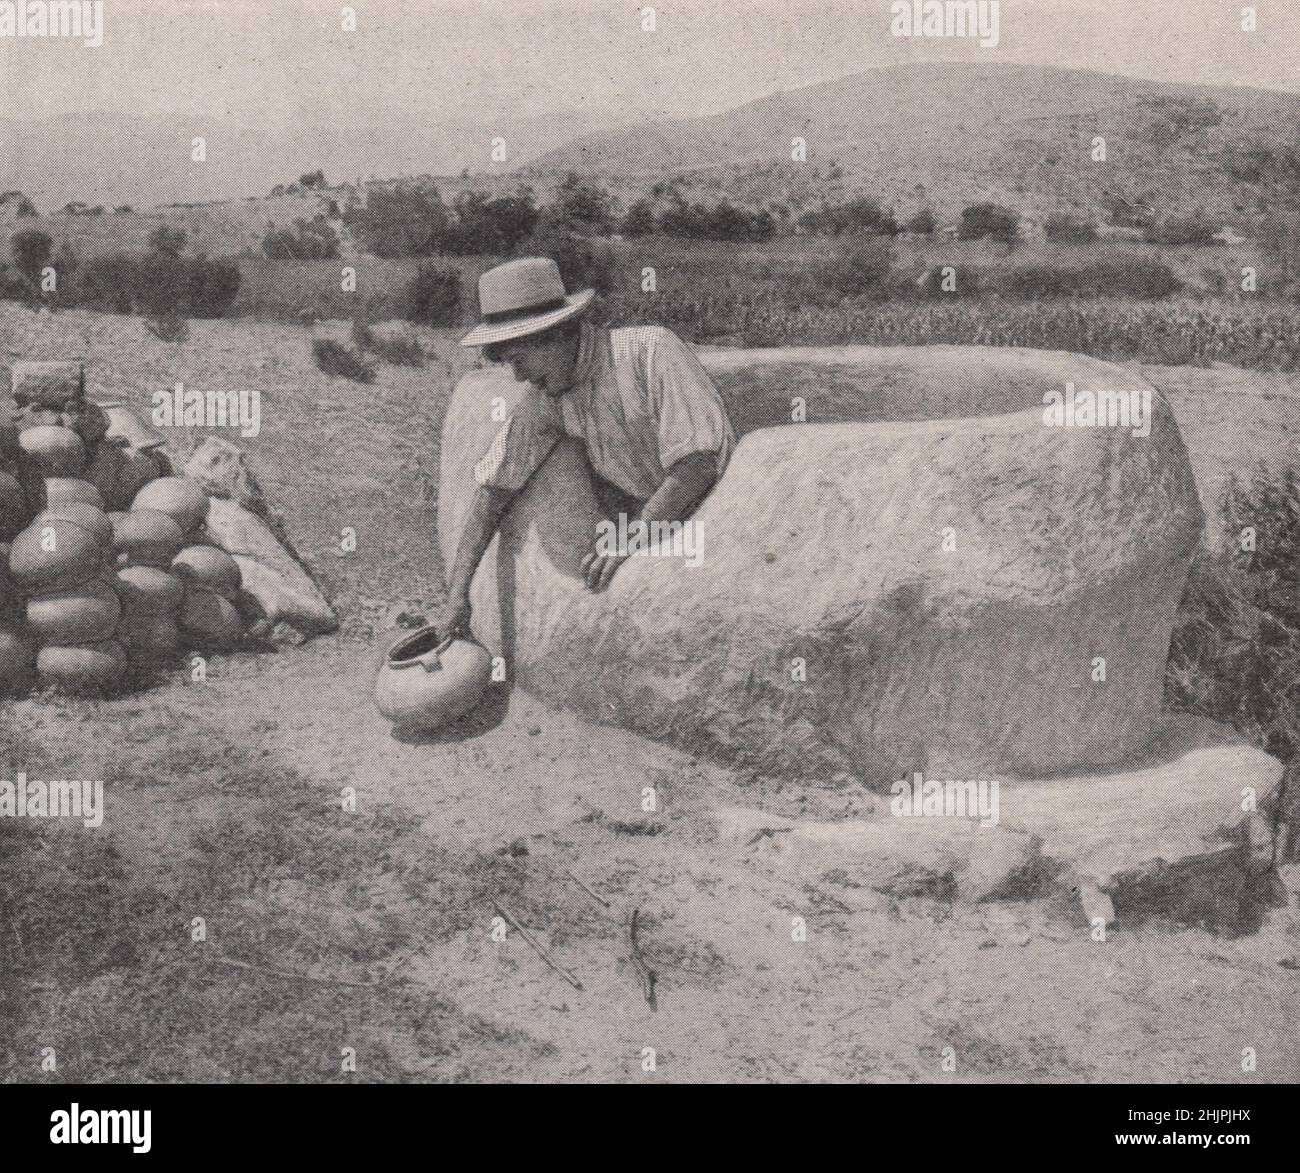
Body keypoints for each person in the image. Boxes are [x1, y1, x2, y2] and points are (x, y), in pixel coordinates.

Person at [438, 256, 736, 638]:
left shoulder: (649, 351)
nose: (519, 375)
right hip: (661, 531)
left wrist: (633, 536)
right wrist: (457, 598)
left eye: (520, 359)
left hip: (720, 529)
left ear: (557, 334)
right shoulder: (547, 397)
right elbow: (493, 491)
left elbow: (698, 463)